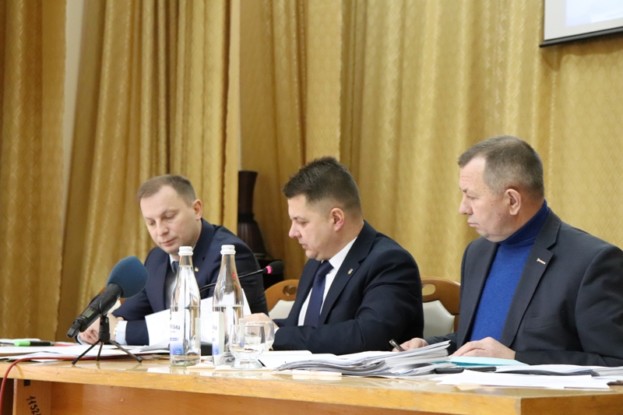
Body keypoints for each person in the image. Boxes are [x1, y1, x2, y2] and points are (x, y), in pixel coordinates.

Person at [399, 135, 623, 366]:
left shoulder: (592, 262)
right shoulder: (477, 252)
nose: (462, 208)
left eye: (471, 196)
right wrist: (429, 348)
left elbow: (616, 362)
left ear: (512, 201)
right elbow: (477, 343)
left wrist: (517, 360)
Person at [248, 156, 423, 355]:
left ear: (336, 218)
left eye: (301, 222)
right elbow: (304, 329)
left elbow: (368, 336)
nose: (292, 232)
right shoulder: (316, 263)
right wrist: (262, 329)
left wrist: (276, 335)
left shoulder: (389, 262)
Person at [79, 174, 267, 345]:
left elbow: (215, 326)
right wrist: (96, 328)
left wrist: (119, 331)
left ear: (196, 209)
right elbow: (127, 315)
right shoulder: (156, 259)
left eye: (168, 217)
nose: (160, 231)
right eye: (151, 223)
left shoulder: (230, 254)